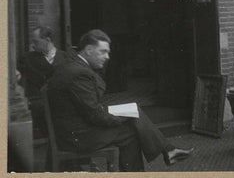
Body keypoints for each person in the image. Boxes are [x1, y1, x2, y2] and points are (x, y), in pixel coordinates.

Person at [46, 29, 193, 172]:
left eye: (108, 52)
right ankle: (165, 152)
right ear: (89, 50)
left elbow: (89, 106)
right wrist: (122, 119)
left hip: (73, 126)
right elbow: (94, 115)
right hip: (77, 136)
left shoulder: (74, 65)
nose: (107, 56)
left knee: (134, 111)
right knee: (130, 132)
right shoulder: (79, 73)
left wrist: (124, 116)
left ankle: (169, 150)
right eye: (103, 52)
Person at [17, 26, 70, 137]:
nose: (32, 45)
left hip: (61, 107)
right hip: (38, 107)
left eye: (35, 41)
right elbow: (14, 75)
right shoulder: (26, 59)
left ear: (47, 40)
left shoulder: (66, 58)